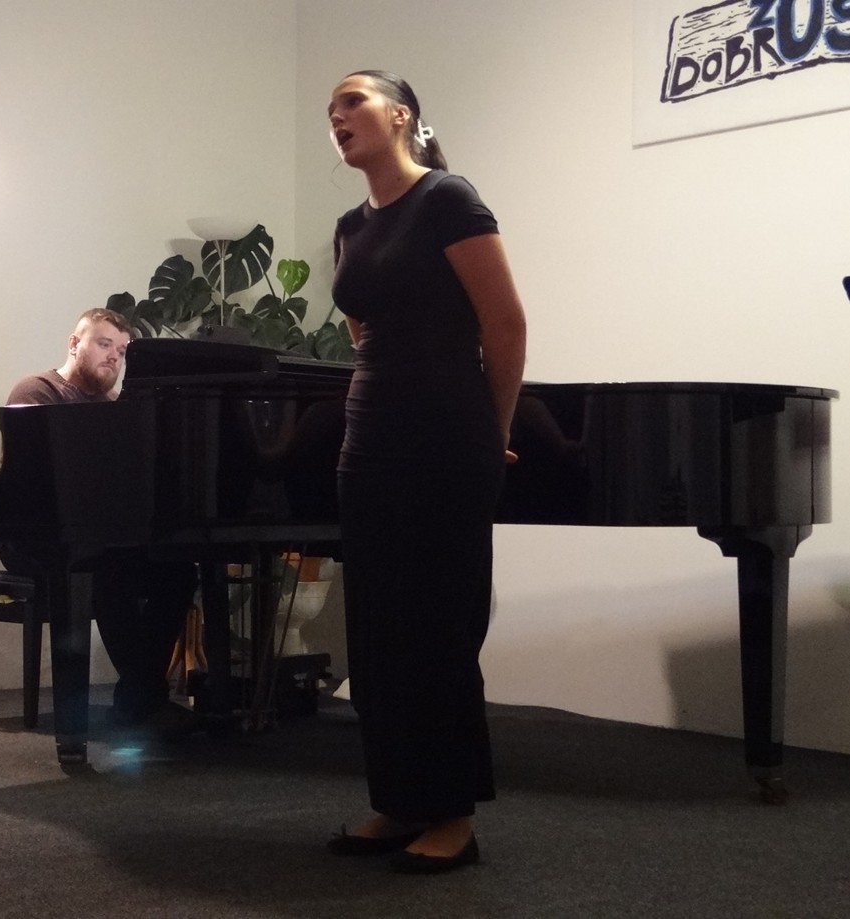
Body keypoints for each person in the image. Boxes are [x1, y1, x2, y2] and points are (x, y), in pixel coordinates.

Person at [322, 70, 527, 873]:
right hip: (368, 436)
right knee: (378, 627)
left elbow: (503, 322)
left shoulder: (446, 198)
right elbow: (362, 331)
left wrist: (492, 428)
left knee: (439, 626)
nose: (337, 116)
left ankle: (453, 815)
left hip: (445, 432)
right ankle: (399, 799)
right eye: (331, 110)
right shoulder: (348, 226)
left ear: (401, 115)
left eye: (353, 101)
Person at [0, 308, 203, 737]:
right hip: (36, 539)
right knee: (110, 575)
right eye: (105, 344)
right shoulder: (38, 390)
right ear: (75, 344)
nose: (114, 356)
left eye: (122, 350)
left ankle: (137, 698)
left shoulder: (114, 407)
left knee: (177, 571)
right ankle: (144, 700)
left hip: (99, 539)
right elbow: (34, 483)